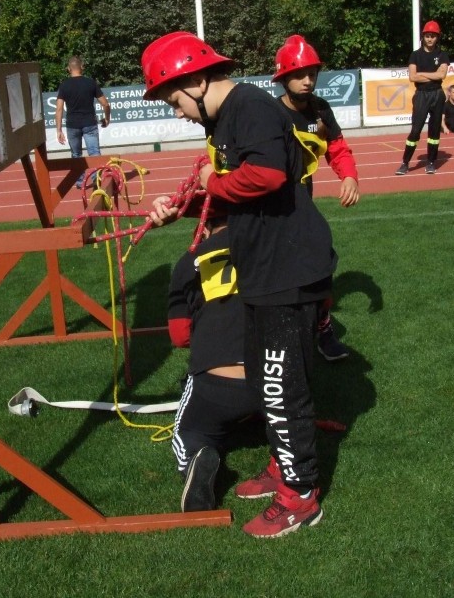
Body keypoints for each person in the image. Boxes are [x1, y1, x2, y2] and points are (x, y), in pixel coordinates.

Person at [143, 31, 335, 538]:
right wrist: (179, 209)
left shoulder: (248, 106)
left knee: (279, 387)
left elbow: (267, 176)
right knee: (266, 381)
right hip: (264, 268)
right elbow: (235, 196)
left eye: (175, 100)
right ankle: (281, 466)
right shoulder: (231, 116)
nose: (179, 113)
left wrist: (210, 182)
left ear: (199, 80)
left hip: (288, 269)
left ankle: (302, 495)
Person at [272, 34, 358, 361]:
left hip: (303, 208)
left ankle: (322, 330)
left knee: (321, 264)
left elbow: (337, 148)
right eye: (299, 74)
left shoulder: (321, 109)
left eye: (312, 73)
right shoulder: (269, 112)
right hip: (270, 210)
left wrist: (349, 175)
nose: (308, 81)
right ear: (283, 77)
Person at [169, 214, 260, 512]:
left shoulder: (189, 260)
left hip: (216, 382)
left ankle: (199, 454)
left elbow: (180, 336)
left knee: (186, 432)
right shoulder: (268, 243)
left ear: (205, 227)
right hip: (273, 377)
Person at [396, 20, 450, 176]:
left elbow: (442, 75)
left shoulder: (442, 55)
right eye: (427, 36)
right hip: (421, 95)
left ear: (437, 37)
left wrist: (423, 74)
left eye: (433, 36)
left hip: (437, 94)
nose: (430, 39)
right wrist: (432, 76)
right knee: (415, 130)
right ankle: (405, 163)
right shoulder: (415, 55)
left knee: (434, 132)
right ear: (423, 36)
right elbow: (413, 77)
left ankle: (431, 162)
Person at [54, 56, 111, 187]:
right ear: (82, 67)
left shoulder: (64, 85)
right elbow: (105, 104)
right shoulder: (90, 83)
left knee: (76, 154)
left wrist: (59, 130)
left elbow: (59, 109)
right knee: (94, 152)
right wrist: (107, 118)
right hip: (89, 123)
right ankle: (97, 179)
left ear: (68, 69)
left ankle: (80, 182)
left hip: (72, 125)